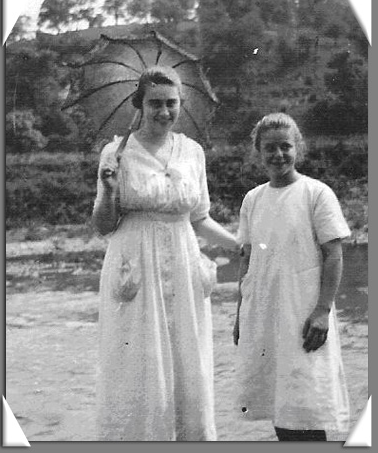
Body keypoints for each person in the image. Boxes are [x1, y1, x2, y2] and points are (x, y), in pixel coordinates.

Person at [92, 65, 237, 441]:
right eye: (155, 103)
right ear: (139, 104)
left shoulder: (192, 152)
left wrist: (238, 245)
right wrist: (108, 189)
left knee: (188, 359)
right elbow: (104, 225)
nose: (164, 112)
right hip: (135, 262)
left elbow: (200, 217)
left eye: (171, 103)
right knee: (138, 362)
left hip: (184, 260)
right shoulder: (117, 152)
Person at [233, 113, 351, 441]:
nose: (278, 155)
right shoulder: (253, 199)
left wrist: (322, 311)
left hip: (304, 313)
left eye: (286, 146)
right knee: (279, 403)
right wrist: (240, 315)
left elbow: (334, 254)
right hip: (266, 313)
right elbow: (247, 259)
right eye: (270, 148)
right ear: (258, 152)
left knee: (309, 406)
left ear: (298, 148)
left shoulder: (317, 193)